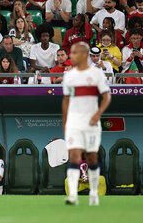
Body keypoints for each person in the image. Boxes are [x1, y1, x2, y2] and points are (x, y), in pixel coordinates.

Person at [62, 42, 111, 206]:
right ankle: (73, 196)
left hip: (90, 122)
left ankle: (94, 194)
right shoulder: (69, 75)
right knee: (74, 156)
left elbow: (106, 96)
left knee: (92, 157)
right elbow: (66, 100)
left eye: (76, 53)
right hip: (74, 122)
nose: (72, 56)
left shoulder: (97, 74)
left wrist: (98, 114)